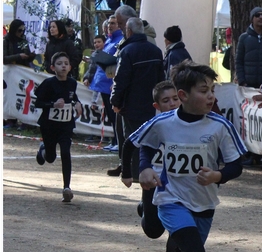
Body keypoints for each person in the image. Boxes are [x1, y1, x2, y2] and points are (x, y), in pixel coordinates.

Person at [132, 60, 247, 252]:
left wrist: (218, 175)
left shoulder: (220, 126)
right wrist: (144, 169)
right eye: (203, 90)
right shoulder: (163, 123)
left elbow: (236, 164)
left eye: (212, 90)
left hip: (204, 205)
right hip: (170, 199)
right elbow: (144, 145)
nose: (210, 96)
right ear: (182, 95)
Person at [120, 81, 181, 252]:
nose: (172, 104)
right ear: (157, 106)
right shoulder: (154, 125)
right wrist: (127, 173)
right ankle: (145, 209)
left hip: (179, 184)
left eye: (175, 99)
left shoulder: (189, 121)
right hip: (154, 182)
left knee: (179, 225)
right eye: (166, 101)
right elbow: (131, 144)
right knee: (153, 231)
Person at [109, 17, 165, 178]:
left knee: (132, 138)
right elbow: (161, 78)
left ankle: (134, 172)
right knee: (147, 137)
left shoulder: (127, 51)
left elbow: (121, 79)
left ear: (129, 31)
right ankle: (144, 168)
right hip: (150, 104)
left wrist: (115, 101)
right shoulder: (155, 51)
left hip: (130, 103)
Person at [33, 52, 84, 202]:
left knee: (65, 152)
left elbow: (72, 97)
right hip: (49, 126)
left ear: (70, 67)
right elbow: (38, 103)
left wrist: (78, 103)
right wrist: (52, 105)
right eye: (60, 63)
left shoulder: (72, 83)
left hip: (66, 125)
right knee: (50, 157)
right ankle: (43, 151)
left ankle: (66, 187)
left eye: (66, 63)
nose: (63, 66)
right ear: (52, 67)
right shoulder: (48, 83)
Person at [88, 15, 123, 152]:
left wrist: (115, 81)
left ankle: (118, 141)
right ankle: (115, 140)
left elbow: (117, 62)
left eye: (113, 23)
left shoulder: (120, 40)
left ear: (119, 25)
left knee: (115, 115)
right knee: (110, 114)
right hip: (102, 82)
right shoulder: (108, 40)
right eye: (109, 23)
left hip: (110, 83)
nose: (110, 25)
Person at [235, 7, 262, 88]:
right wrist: (242, 81)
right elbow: (238, 61)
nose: (261, 17)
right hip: (247, 85)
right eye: (257, 15)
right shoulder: (244, 38)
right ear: (252, 19)